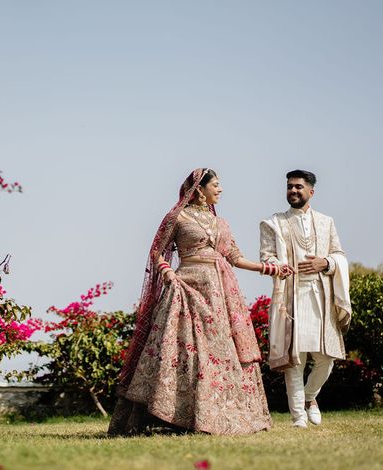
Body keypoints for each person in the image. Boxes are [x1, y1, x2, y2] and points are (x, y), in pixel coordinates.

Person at [108, 168, 292, 436]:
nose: (220, 190)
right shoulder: (177, 217)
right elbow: (157, 251)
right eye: (215, 185)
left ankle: (221, 414)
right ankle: (174, 417)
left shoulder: (221, 223)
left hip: (219, 292)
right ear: (199, 189)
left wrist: (270, 269)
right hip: (185, 288)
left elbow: (236, 258)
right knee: (184, 350)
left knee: (221, 350)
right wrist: (168, 273)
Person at [259, 170, 351, 428]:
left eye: (299, 187)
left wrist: (327, 263)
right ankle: (298, 416)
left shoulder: (326, 222)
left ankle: (310, 398)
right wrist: (279, 266)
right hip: (290, 297)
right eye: (290, 187)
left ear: (311, 191)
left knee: (326, 358)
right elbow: (267, 257)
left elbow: (339, 255)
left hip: (321, 295)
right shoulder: (273, 223)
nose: (293, 191)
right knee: (295, 359)